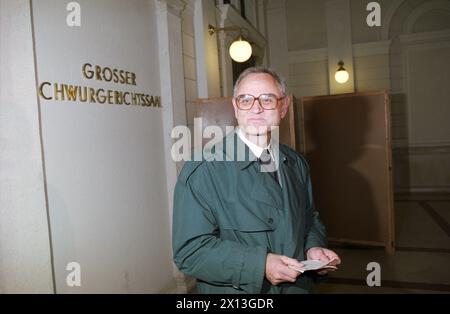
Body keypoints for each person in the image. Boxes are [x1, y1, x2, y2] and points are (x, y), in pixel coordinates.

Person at [172, 66, 341, 294]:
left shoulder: (295, 163)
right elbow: (190, 252)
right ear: (235, 107)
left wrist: (313, 247)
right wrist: (260, 264)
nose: (256, 108)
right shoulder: (205, 170)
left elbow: (309, 217)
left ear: (284, 106)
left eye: (267, 99)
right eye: (246, 100)